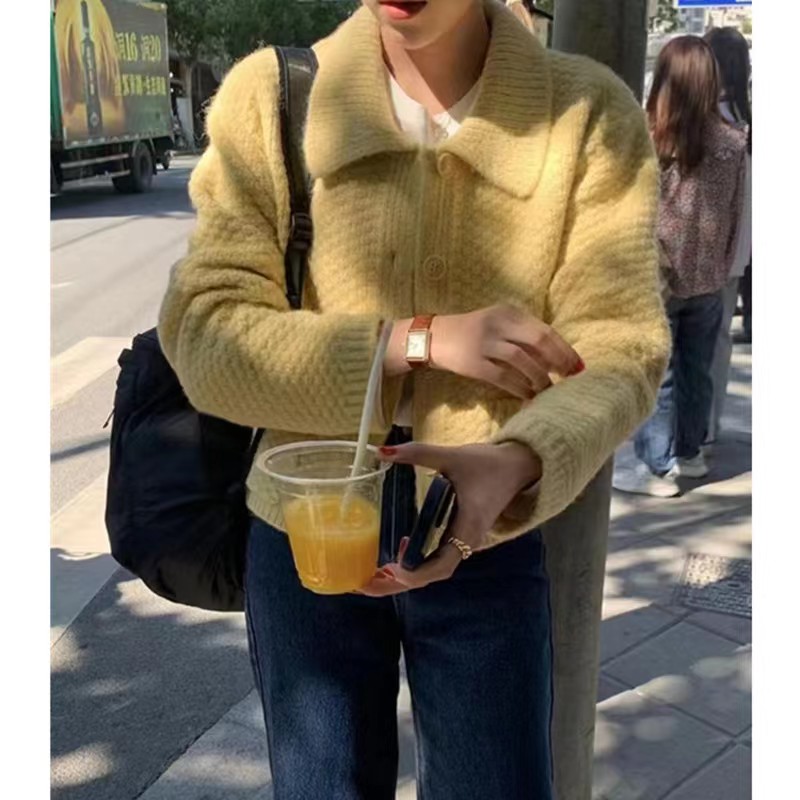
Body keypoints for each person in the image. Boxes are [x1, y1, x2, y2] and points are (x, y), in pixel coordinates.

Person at [157, 1, 669, 796]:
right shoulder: (275, 96)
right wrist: (415, 340)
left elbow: (622, 344)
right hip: (303, 524)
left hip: (484, 532)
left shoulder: (587, 113)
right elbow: (204, 334)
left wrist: (522, 458)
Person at [614, 36, 746, 498]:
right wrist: (724, 263)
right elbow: (734, 211)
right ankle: (690, 453)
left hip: (659, 276)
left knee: (660, 374)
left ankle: (656, 465)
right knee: (696, 371)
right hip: (708, 277)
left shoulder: (652, 138)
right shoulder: (734, 141)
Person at [705, 26, 752, 443]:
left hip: (705, 250)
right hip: (738, 251)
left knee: (693, 344)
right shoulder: (747, 120)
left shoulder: (710, 122)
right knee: (718, 341)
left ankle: (693, 433)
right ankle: (708, 427)